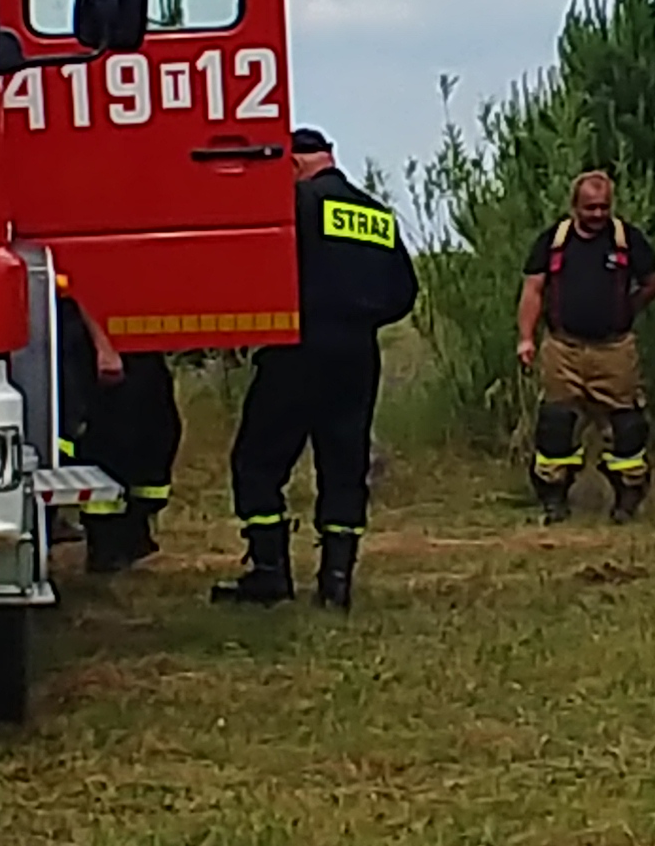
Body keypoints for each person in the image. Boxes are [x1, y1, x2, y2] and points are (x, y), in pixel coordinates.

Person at [215, 128, 420, 611]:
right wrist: (362, 316)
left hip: (296, 348)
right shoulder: (374, 213)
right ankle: (336, 582)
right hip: (356, 354)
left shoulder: (296, 207)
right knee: (345, 466)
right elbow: (403, 292)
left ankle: (269, 574)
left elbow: (257, 270)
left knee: (258, 461)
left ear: (292, 164)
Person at [515, 167, 655, 523]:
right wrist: (526, 338)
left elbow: (654, 282)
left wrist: (629, 309)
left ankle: (626, 501)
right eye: (590, 208)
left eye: (603, 208)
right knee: (555, 425)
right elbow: (533, 290)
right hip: (562, 347)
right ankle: (554, 500)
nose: (598, 215)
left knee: (627, 428)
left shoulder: (628, 239)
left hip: (615, 349)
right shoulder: (553, 241)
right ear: (574, 207)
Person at [55, 282, 186, 572]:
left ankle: (135, 533)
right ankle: (105, 546)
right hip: (97, 342)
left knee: (157, 432)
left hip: (135, 337)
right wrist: (104, 346)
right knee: (111, 441)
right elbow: (81, 282)